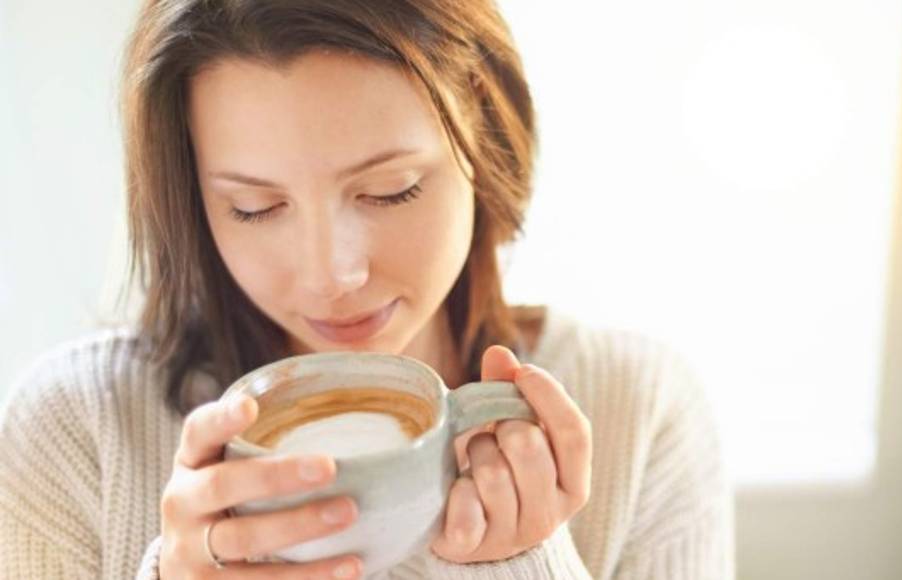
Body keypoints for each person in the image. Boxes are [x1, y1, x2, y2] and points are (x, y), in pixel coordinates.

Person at [0, 1, 734, 578]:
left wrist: (524, 564)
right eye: (254, 208)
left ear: (482, 133)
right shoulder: (79, 434)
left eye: (391, 191)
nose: (332, 275)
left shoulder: (638, 412)